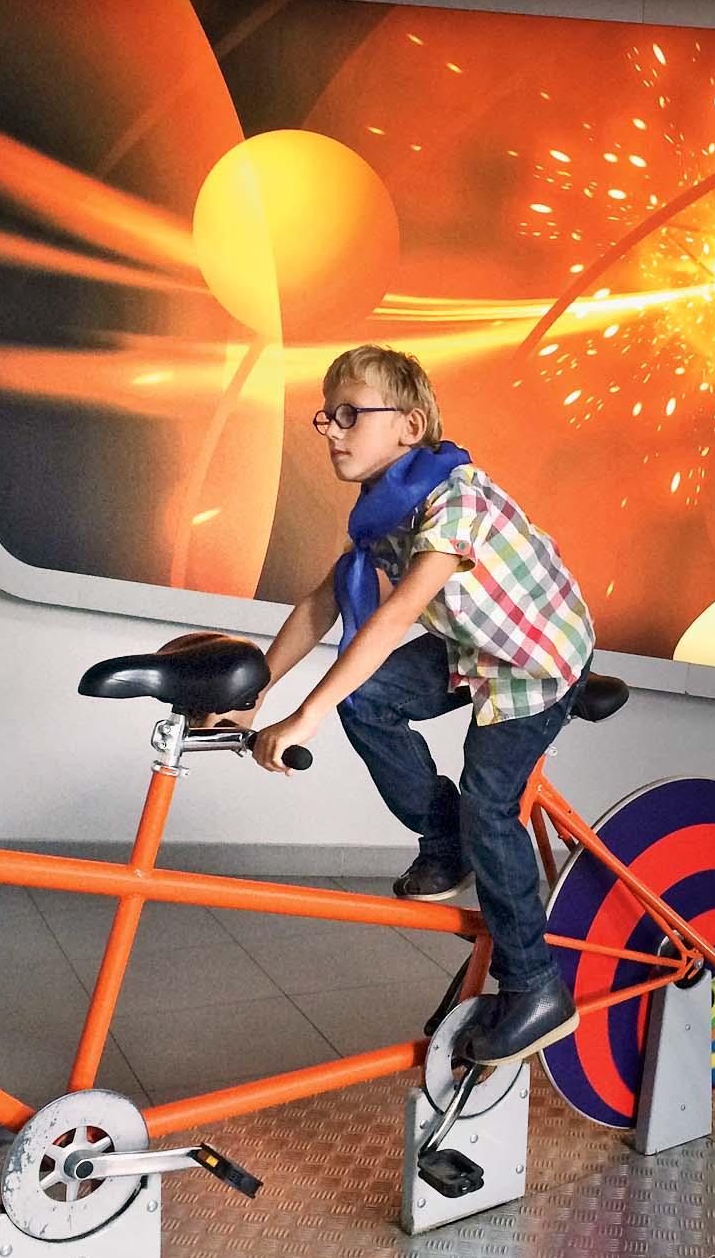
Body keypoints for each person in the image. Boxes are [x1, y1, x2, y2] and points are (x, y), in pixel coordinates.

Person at [219, 344, 595, 1066]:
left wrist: (305, 715)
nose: (332, 430)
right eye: (327, 417)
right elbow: (321, 603)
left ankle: (536, 987)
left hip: (534, 663)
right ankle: (446, 841)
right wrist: (253, 694)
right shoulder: (381, 512)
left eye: (350, 415)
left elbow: (393, 616)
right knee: (368, 701)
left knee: (490, 805)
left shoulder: (454, 500)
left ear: (410, 426)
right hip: (472, 647)